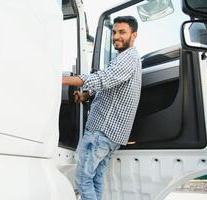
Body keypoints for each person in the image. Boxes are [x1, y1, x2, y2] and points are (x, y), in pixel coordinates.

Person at [62, 16, 142, 200]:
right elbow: (112, 87)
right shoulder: (129, 59)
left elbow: (103, 79)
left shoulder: (127, 58)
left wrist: (60, 79)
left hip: (102, 132)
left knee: (83, 179)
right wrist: (86, 95)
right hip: (111, 135)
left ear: (134, 35)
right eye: (114, 32)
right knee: (95, 180)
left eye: (122, 32)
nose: (116, 36)